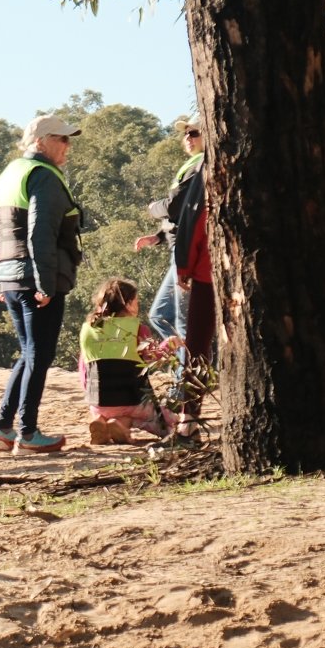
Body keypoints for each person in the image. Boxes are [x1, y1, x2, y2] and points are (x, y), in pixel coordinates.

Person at [0, 113, 85, 453]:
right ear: (41, 141)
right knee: (39, 355)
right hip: (36, 279)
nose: (68, 146)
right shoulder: (42, 175)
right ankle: (28, 434)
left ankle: (3, 430)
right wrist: (44, 284)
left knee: (29, 354)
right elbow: (39, 232)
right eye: (62, 138)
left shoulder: (10, 174)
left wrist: (0, 281)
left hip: (11, 279)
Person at [133, 120, 203, 340]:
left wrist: (154, 209)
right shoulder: (194, 164)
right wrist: (160, 236)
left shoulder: (201, 164)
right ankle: (186, 369)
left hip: (188, 251)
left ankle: (192, 373)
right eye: (185, 134)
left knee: (182, 321)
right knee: (160, 316)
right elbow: (184, 213)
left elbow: (175, 206)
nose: (188, 138)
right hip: (180, 247)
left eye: (194, 133)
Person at [79, 277, 167, 443]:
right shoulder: (139, 329)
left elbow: (84, 368)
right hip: (131, 400)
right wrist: (169, 345)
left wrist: (88, 390)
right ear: (127, 304)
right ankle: (121, 425)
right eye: (136, 301)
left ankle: (101, 421)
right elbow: (151, 357)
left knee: (110, 411)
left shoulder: (88, 329)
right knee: (167, 421)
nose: (138, 305)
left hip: (98, 402)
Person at [169, 152, 216, 440]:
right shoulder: (205, 166)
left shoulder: (206, 164)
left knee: (197, 347)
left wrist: (185, 265)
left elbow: (194, 217)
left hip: (208, 273)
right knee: (197, 347)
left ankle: (189, 419)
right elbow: (194, 217)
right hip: (206, 274)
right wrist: (186, 264)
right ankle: (189, 418)